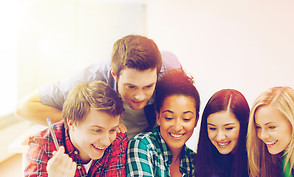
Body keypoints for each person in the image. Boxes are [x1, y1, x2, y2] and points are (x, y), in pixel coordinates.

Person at [4, 81, 128, 177]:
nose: (106, 140)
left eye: (112, 130)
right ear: (72, 123)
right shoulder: (43, 145)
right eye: (97, 130)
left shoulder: (118, 141)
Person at [15, 34, 182, 139]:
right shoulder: (91, 79)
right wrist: (91, 122)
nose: (139, 96)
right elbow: (24, 107)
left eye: (148, 86)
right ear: (114, 75)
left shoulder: (171, 71)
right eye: (130, 87)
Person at [126, 69, 199, 177]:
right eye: (169, 118)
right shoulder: (142, 145)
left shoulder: (194, 161)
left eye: (186, 119)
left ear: (196, 121)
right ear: (158, 117)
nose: (177, 127)